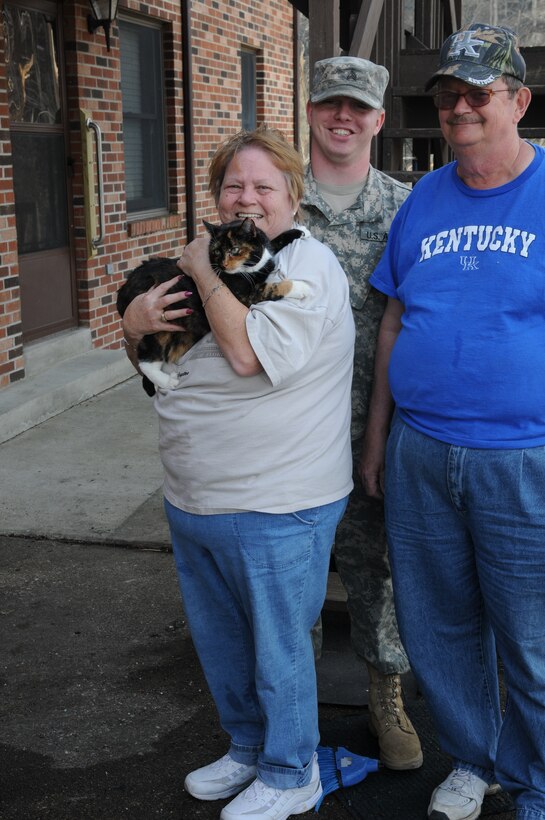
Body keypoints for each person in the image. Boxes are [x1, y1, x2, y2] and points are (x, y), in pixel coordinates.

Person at [121, 126, 355, 820]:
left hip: (277, 500)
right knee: (223, 645)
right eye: (233, 187)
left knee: (277, 650)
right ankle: (249, 749)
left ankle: (291, 773)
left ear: (293, 195)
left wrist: (200, 269)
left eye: (262, 186)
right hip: (195, 497)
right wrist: (134, 325)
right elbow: (159, 375)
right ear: (216, 196)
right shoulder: (217, 265)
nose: (245, 199)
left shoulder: (303, 268)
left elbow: (250, 355)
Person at [365, 22, 545, 820]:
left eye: (478, 93)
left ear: (518, 101)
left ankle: (539, 782)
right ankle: (477, 760)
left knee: (531, 641)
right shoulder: (422, 200)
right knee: (438, 627)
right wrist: (376, 438)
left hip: (523, 458)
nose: (459, 108)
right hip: (421, 452)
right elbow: (396, 323)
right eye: (447, 95)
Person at [299, 55, 423, 770]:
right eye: (329, 105)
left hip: (376, 427)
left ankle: (385, 698)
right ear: (311, 112)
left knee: (377, 573)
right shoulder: (276, 200)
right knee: (295, 579)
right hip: (292, 434)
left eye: (357, 107)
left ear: (377, 119)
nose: (342, 117)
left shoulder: (408, 207)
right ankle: (290, 710)